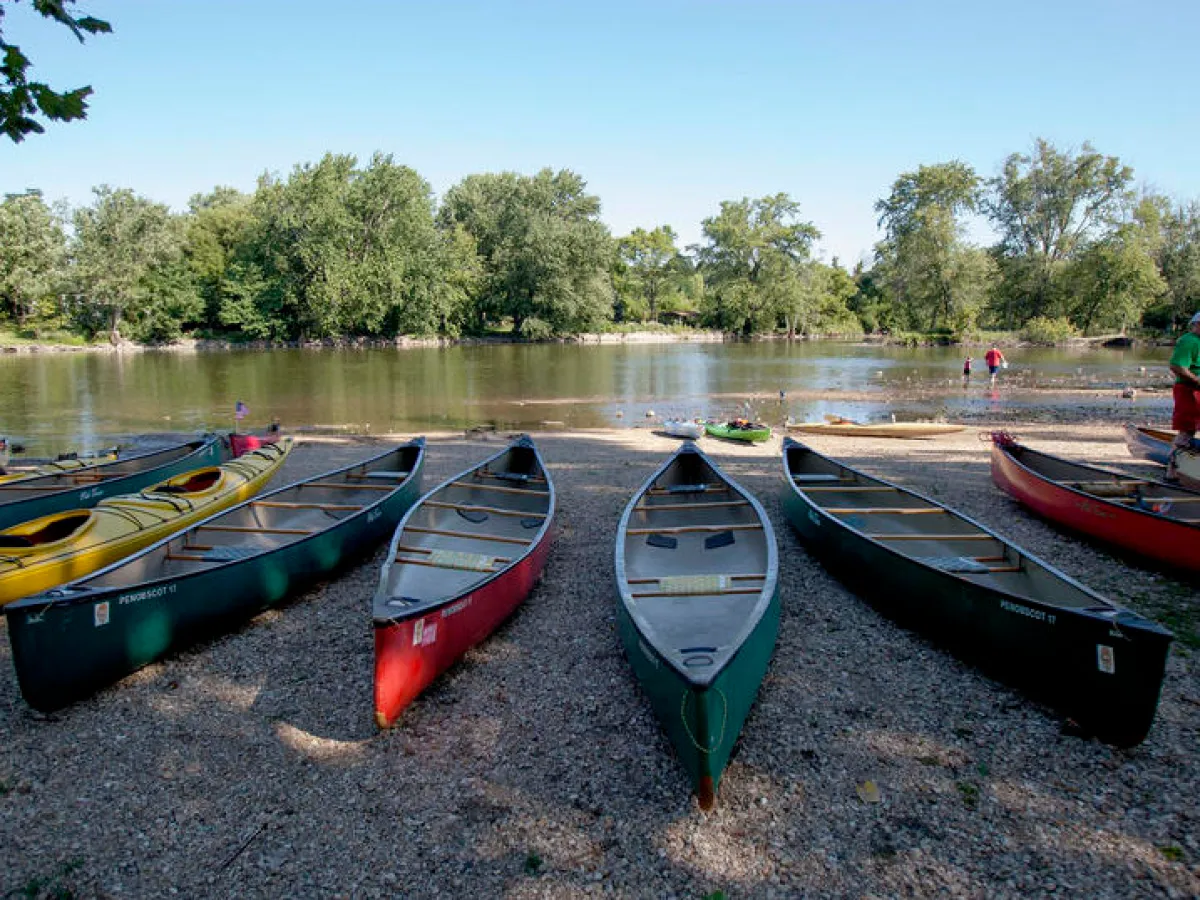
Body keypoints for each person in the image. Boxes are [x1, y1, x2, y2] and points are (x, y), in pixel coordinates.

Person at [1166, 311, 1200, 482]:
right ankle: (1172, 473)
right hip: (1189, 390)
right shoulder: (1189, 341)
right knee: (1187, 430)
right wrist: (1197, 381)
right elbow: (1177, 366)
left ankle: (1193, 470)